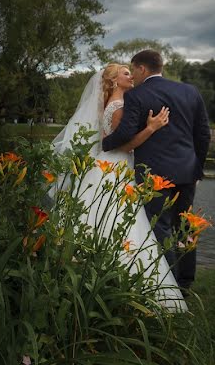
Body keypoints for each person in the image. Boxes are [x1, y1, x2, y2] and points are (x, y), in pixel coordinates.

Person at [50, 62, 186, 311]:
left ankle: (93, 279)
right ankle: (127, 290)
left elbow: (106, 142)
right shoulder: (119, 106)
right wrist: (151, 128)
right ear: (113, 81)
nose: (131, 76)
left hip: (107, 166)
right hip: (115, 167)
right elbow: (122, 145)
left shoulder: (110, 104)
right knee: (124, 223)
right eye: (125, 73)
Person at [101, 50, 211, 295]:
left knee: (160, 226)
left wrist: (104, 145)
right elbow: (203, 135)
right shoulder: (190, 91)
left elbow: (125, 134)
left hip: (155, 175)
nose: (134, 76)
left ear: (141, 69)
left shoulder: (138, 95)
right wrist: (197, 169)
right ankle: (185, 283)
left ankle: (168, 283)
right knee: (185, 226)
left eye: (133, 70)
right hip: (186, 172)